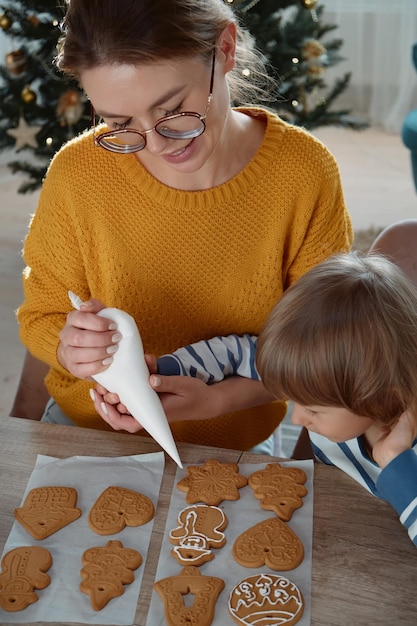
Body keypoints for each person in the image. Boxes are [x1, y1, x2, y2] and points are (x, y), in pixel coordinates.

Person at [16, 0, 352, 451]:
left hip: (234, 440)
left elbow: (321, 353)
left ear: (226, 49)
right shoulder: (78, 173)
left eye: (173, 109)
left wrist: (215, 401)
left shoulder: (305, 173)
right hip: (87, 434)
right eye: (120, 123)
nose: (155, 144)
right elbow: (42, 314)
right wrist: (68, 347)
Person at [255, 249, 417, 546]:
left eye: (312, 410)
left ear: (381, 400)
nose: (297, 419)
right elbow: (243, 355)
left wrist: (396, 463)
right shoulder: (334, 385)